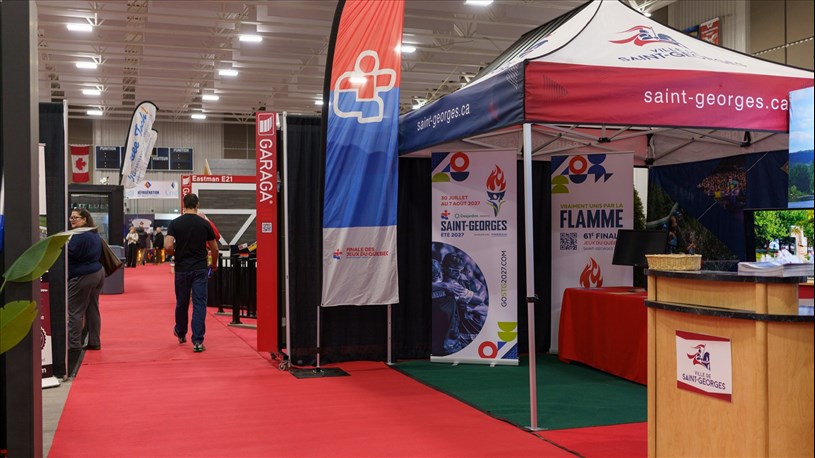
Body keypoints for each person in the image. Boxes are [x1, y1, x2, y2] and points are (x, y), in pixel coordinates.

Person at [165, 193, 219, 352]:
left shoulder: (175, 223)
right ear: (197, 205)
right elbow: (214, 248)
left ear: (184, 205)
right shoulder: (205, 224)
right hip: (200, 269)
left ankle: (181, 332)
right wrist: (213, 264)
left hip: (182, 269)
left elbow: (168, 246)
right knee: (199, 303)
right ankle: (198, 341)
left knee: (182, 302)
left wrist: (177, 254)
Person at [67, 208, 105, 373]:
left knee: (75, 311)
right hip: (98, 273)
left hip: (82, 276)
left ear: (84, 219)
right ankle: (94, 341)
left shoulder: (78, 235)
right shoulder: (94, 233)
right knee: (92, 308)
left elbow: (70, 254)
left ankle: (74, 346)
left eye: (75, 217)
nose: (72, 220)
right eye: (71, 217)